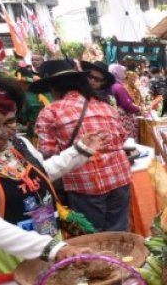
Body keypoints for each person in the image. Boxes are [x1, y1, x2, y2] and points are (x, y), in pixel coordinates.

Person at [0, 68, 105, 285]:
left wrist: (79, 152)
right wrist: (49, 248)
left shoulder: (18, 145)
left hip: (45, 241)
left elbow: (39, 174)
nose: (1, 132)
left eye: (9, 122)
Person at [33, 60, 133, 232]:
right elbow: (122, 137)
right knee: (118, 231)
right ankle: (120, 259)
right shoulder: (105, 106)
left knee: (92, 236)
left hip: (84, 183)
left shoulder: (50, 112)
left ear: (54, 88)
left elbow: (48, 153)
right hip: (120, 176)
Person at [109, 63, 142, 139]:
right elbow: (126, 104)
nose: (124, 74)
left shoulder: (112, 85)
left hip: (117, 115)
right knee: (128, 140)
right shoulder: (118, 87)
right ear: (118, 73)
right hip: (124, 117)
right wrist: (139, 109)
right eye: (123, 72)